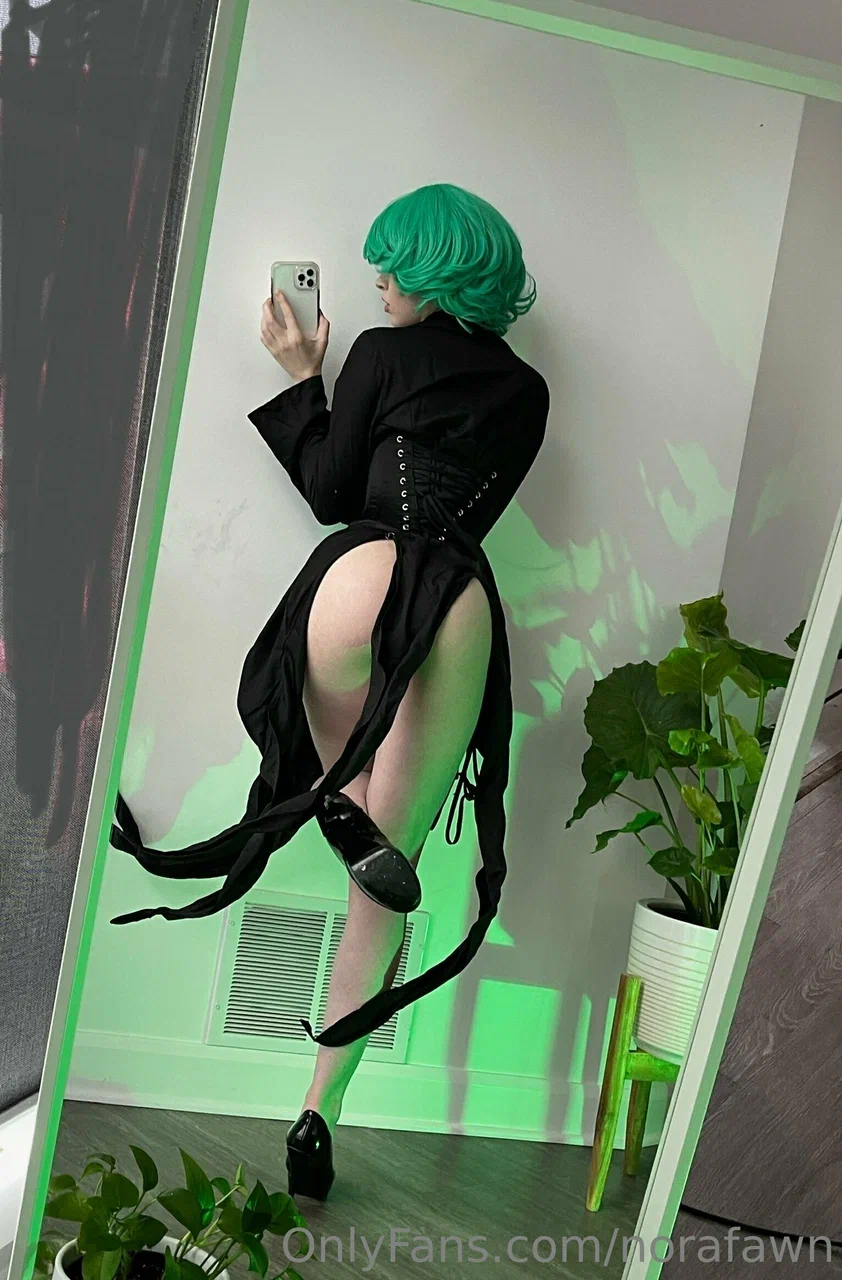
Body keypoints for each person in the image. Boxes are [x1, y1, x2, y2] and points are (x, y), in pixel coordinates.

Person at [110, 182, 550, 1200]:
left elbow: (331, 494)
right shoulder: (529, 392)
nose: (379, 279)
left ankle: (336, 800)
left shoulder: (381, 354)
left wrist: (305, 377)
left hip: (366, 577)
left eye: (392, 264)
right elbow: (471, 513)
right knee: (385, 876)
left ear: (432, 271)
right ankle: (320, 1109)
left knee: (326, 756)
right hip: (459, 607)